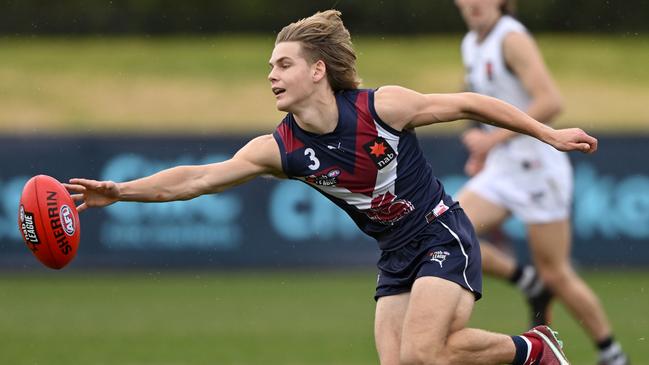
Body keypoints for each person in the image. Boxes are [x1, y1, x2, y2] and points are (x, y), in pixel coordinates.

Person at [64, 10, 598, 365]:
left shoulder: (380, 108)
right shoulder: (281, 149)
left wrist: (547, 133)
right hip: (395, 255)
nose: (271, 74)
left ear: (318, 70)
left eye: (283, 64)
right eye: (270, 66)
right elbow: (199, 178)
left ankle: (534, 349)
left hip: (441, 234)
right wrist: (120, 190)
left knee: (425, 352)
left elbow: (469, 103)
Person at [454, 1, 630, 365]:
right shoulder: (471, 43)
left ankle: (611, 353)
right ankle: (527, 281)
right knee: (449, 231)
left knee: (557, 273)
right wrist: (481, 144)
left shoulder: (511, 38)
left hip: (539, 167)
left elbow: (550, 101)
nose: (473, 3)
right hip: (504, 167)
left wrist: (492, 140)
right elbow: (481, 103)